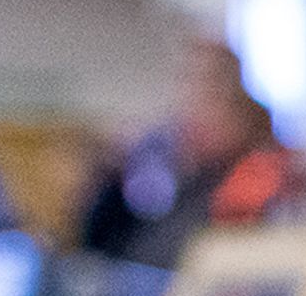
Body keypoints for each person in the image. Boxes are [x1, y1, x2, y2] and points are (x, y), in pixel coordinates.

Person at [80, 39, 294, 273]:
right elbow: (101, 243)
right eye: (187, 83)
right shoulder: (173, 165)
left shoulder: (258, 174)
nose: (192, 100)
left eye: (209, 87)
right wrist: (115, 173)